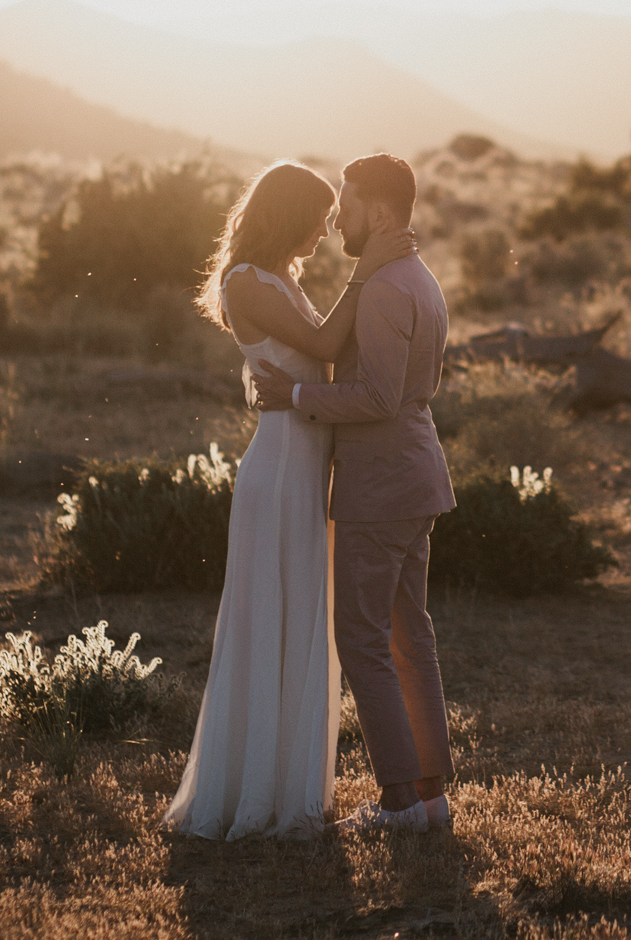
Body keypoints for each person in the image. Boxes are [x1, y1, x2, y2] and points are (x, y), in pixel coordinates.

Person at [163, 161, 414, 841]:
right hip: (278, 473)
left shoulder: (282, 280)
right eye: (318, 213)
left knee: (301, 618)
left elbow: (324, 357)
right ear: (287, 213)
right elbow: (330, 344)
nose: (327, 227)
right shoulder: (246, 282)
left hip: (306, 471)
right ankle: (254, 795)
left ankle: (289, 786)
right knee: (270, 619)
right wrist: (368, 272)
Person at [249, 153, 457, 836]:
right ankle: (430, 794)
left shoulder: (387, 287)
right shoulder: (418, 278)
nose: (336, 217)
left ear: (382, 213)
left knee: (364, 638)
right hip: (415, 475)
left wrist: (298, 394)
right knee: (409, 634)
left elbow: (378, 395)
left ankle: (399, 800)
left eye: (346, 204)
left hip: (382, 483)